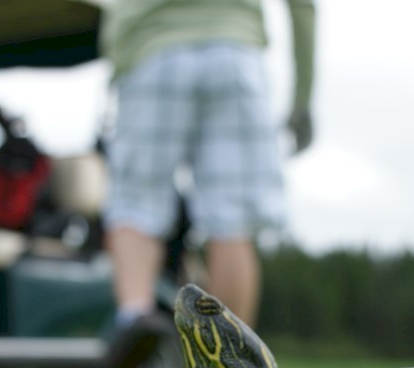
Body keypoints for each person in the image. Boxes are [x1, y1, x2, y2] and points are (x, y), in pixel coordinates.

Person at [101, 0, 316, 332]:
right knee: (232, 220)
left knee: (136, 207)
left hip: (151, 49)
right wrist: (303, 98)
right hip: (234, 52)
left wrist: (119, 62)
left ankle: (136, 337)